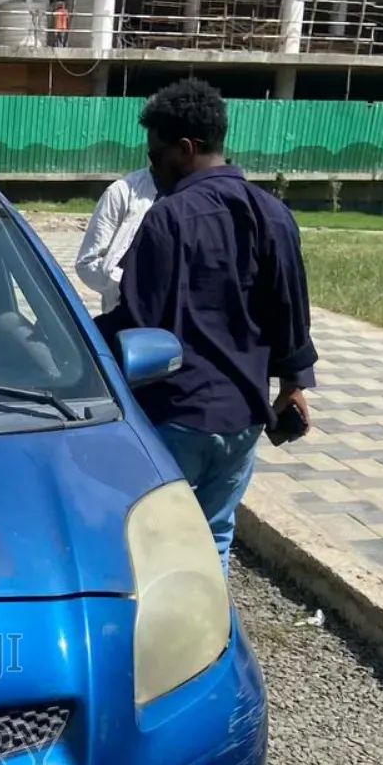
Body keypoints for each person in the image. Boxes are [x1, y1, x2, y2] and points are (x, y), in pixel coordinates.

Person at [97, 78, 317, 576]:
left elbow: (136, 320)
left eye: (156, 155)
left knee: (143, 537)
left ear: (187, 148)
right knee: (214, 534)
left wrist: (76, 341)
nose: (152, 167)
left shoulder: (167, 219)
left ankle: (149, 640)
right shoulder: (274, 214)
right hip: (243, 418)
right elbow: (291, 308)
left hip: (175, 415)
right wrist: (294, 385)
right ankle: (204, 637)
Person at [74, 165, 157, 315]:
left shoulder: (205, 197)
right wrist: (129, 282)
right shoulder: (122, 192)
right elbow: (87, 265)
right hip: (127, 321)